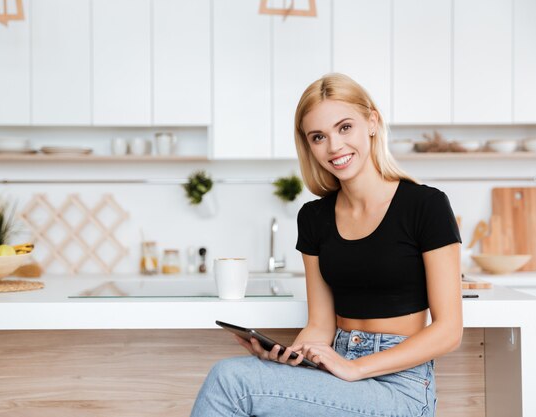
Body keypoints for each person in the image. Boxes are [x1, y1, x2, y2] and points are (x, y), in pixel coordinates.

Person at [190, 73, 462, 417]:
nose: (334, 147)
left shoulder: (426, 205)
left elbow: (449, 331)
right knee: (239, 382)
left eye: (344, 128)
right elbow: (320, 324)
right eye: (319, 137)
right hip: (336, 368)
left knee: (230, 381)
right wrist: (294, 355)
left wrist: (357, 368)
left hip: (401, 387)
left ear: (372, 123)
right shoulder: (314, 217)